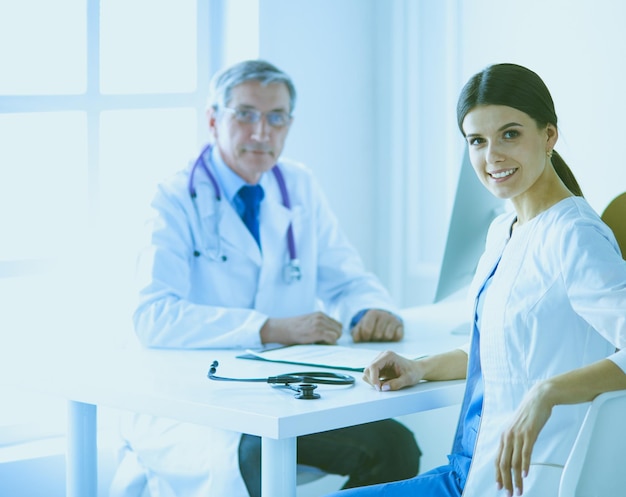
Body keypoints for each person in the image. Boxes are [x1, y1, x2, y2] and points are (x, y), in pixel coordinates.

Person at [113, 59, 421, 497]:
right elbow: (152, 315)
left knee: (393, 446)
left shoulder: (297, 185)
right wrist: (267, 328)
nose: (262, 132)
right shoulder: (173, 198)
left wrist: (371, 309)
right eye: (245, 115)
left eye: (276, 118)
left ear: (289, 124)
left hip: (278, 394)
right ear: (214, 119)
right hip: (192, 403)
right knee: (257, 458)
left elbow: (346, 277)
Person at [325, 63, 626, 497]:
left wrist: (549, 391)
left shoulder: (574, 235)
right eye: (477, 141)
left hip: (529, 479)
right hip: (468, 469)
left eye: (510, 134)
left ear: (549, 136)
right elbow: (503, 351)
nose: (493, 157)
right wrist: (420, 367)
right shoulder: (504, 230)